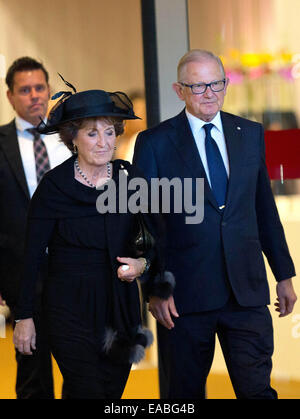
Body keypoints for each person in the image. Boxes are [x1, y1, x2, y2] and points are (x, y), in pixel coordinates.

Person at [133, 49, 297, 399]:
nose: (210, 93)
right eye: (199, 86)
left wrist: (283, 274)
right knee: (184, 396)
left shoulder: (249, 133)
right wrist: (153, 288)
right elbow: (142, 222)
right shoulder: (155, 142)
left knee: (257, 391)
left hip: (247, 294)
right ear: (179, 90)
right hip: (184, 298)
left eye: (217, 84)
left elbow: (263, 208)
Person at [13, 84, 171, 399]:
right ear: (73, 137)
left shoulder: (132, 180)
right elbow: (30, 257)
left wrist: (142, 265)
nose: (103, 142)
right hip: (68, 309)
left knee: (111, 393)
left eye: (110, 133)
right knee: (87, 390)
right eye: (92, 133)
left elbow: (158, 242)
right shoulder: (53, 187)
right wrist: (24, 317)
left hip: (121, 308)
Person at [0, 57, 71, 399]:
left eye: (39, 88)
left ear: (49, 90)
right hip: (20, 274)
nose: (34, 96)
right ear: (10, 96)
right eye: (24, 90)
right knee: (33, 373)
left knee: (82, 367)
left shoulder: (73, 138)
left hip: (74, 271)